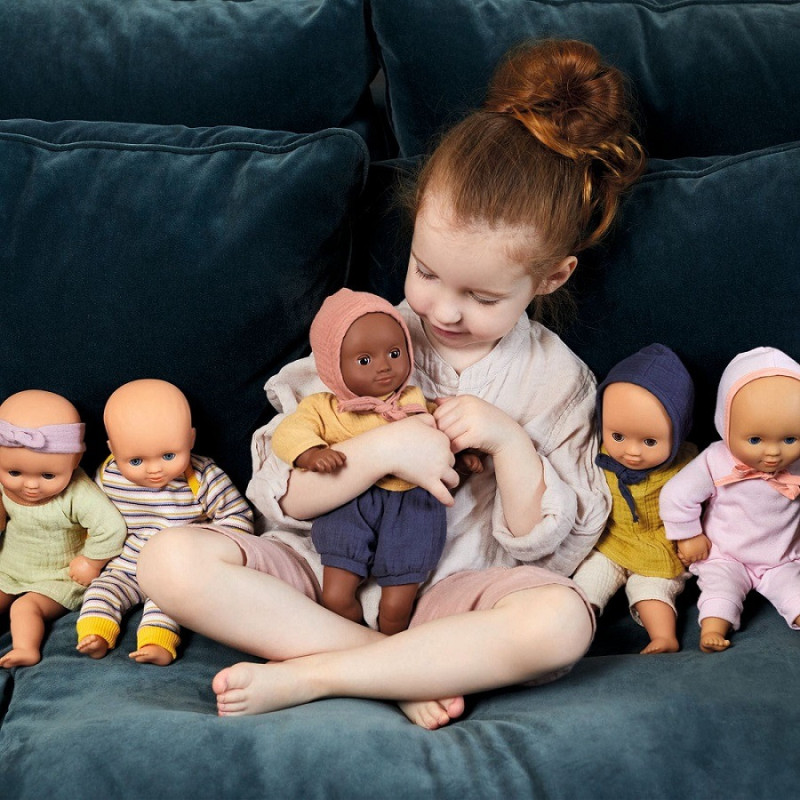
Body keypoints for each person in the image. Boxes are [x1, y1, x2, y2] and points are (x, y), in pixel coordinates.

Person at [138, 38, 646, 728]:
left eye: (481, 296)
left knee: (562, 621)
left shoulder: (556, 380)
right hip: (318, 582)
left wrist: (509, 443)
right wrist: (381, 451)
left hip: (450, 599)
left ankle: (319, 674)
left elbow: (553, 548)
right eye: (426, 272)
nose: (443, 311)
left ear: (551, 278)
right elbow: (281, 495)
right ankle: (393, 670)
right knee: (167, 559)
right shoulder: (366, 335)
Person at [272, 288, 465, 635]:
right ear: (333, 366)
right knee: (335, 595)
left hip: (411, 506)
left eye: (395, 353)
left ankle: (390, 647)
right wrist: (311, 453)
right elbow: (288, 432)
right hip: (350, 502)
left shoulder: (415, 401)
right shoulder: (323, 406)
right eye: (364, 360)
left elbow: (443, 438)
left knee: (396, 607)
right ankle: (356, 640)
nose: (384, 367)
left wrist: (466, 456)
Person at [76, 379, 253, 665]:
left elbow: (237, 516)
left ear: (190, 439)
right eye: (136, 461)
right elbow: (95, 518)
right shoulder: (108, 475)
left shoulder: (203, 477)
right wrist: (92, 557)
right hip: (127, 565)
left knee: (169, 606)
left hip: (176, 570)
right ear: (113, 449)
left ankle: (158, 643)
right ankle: (95, 634)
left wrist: (211, 552)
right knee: (101, 591)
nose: (155, 469)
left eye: (169, 456)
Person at [660, 347, 800, 653]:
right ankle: (713, 629)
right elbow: (676, 494)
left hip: (782, 556)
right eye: (755, 439)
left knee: (795, 588)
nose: (773, 452)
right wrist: (688, 535)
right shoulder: (715, 460)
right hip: (726, 554)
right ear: (725, 426)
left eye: (790, 439)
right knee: (720, 591)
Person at [572, 344, 696, 654]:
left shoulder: (687, 467)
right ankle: (569, 634)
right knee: (585, 584)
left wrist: (693, 536)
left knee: (650, 591)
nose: (631, 451)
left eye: (650, 441)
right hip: (612, 543)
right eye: (618, 436)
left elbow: (703, 503)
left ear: (678, 432)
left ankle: (663, 637)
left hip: (658, 549)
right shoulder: (599, 457)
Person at [0, 390, 127, 668]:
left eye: (48, 475)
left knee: (25, 607)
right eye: (14, 473)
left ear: (75, 460)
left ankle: (25, 648)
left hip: (59, 576)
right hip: (9, 566)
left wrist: (91, 562)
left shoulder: (78, 493)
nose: (30, 485)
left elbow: (111, 528)